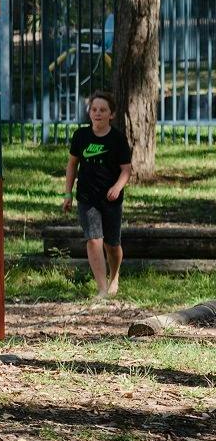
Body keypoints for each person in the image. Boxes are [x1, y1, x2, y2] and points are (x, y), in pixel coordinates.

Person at [63, 91, 133, 299]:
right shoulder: (81, 136)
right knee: (94, 240)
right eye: (94, 109)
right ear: (89, 112)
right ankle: (102, 289)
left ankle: (114, 276)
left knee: (112, 244)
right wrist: (67, 193)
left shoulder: (118, 139)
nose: (98, 113)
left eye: (103, 110)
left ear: (111, 114)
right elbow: (72, 165)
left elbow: (126, 169)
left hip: (111, 199)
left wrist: (117, 187)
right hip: (87, 197)